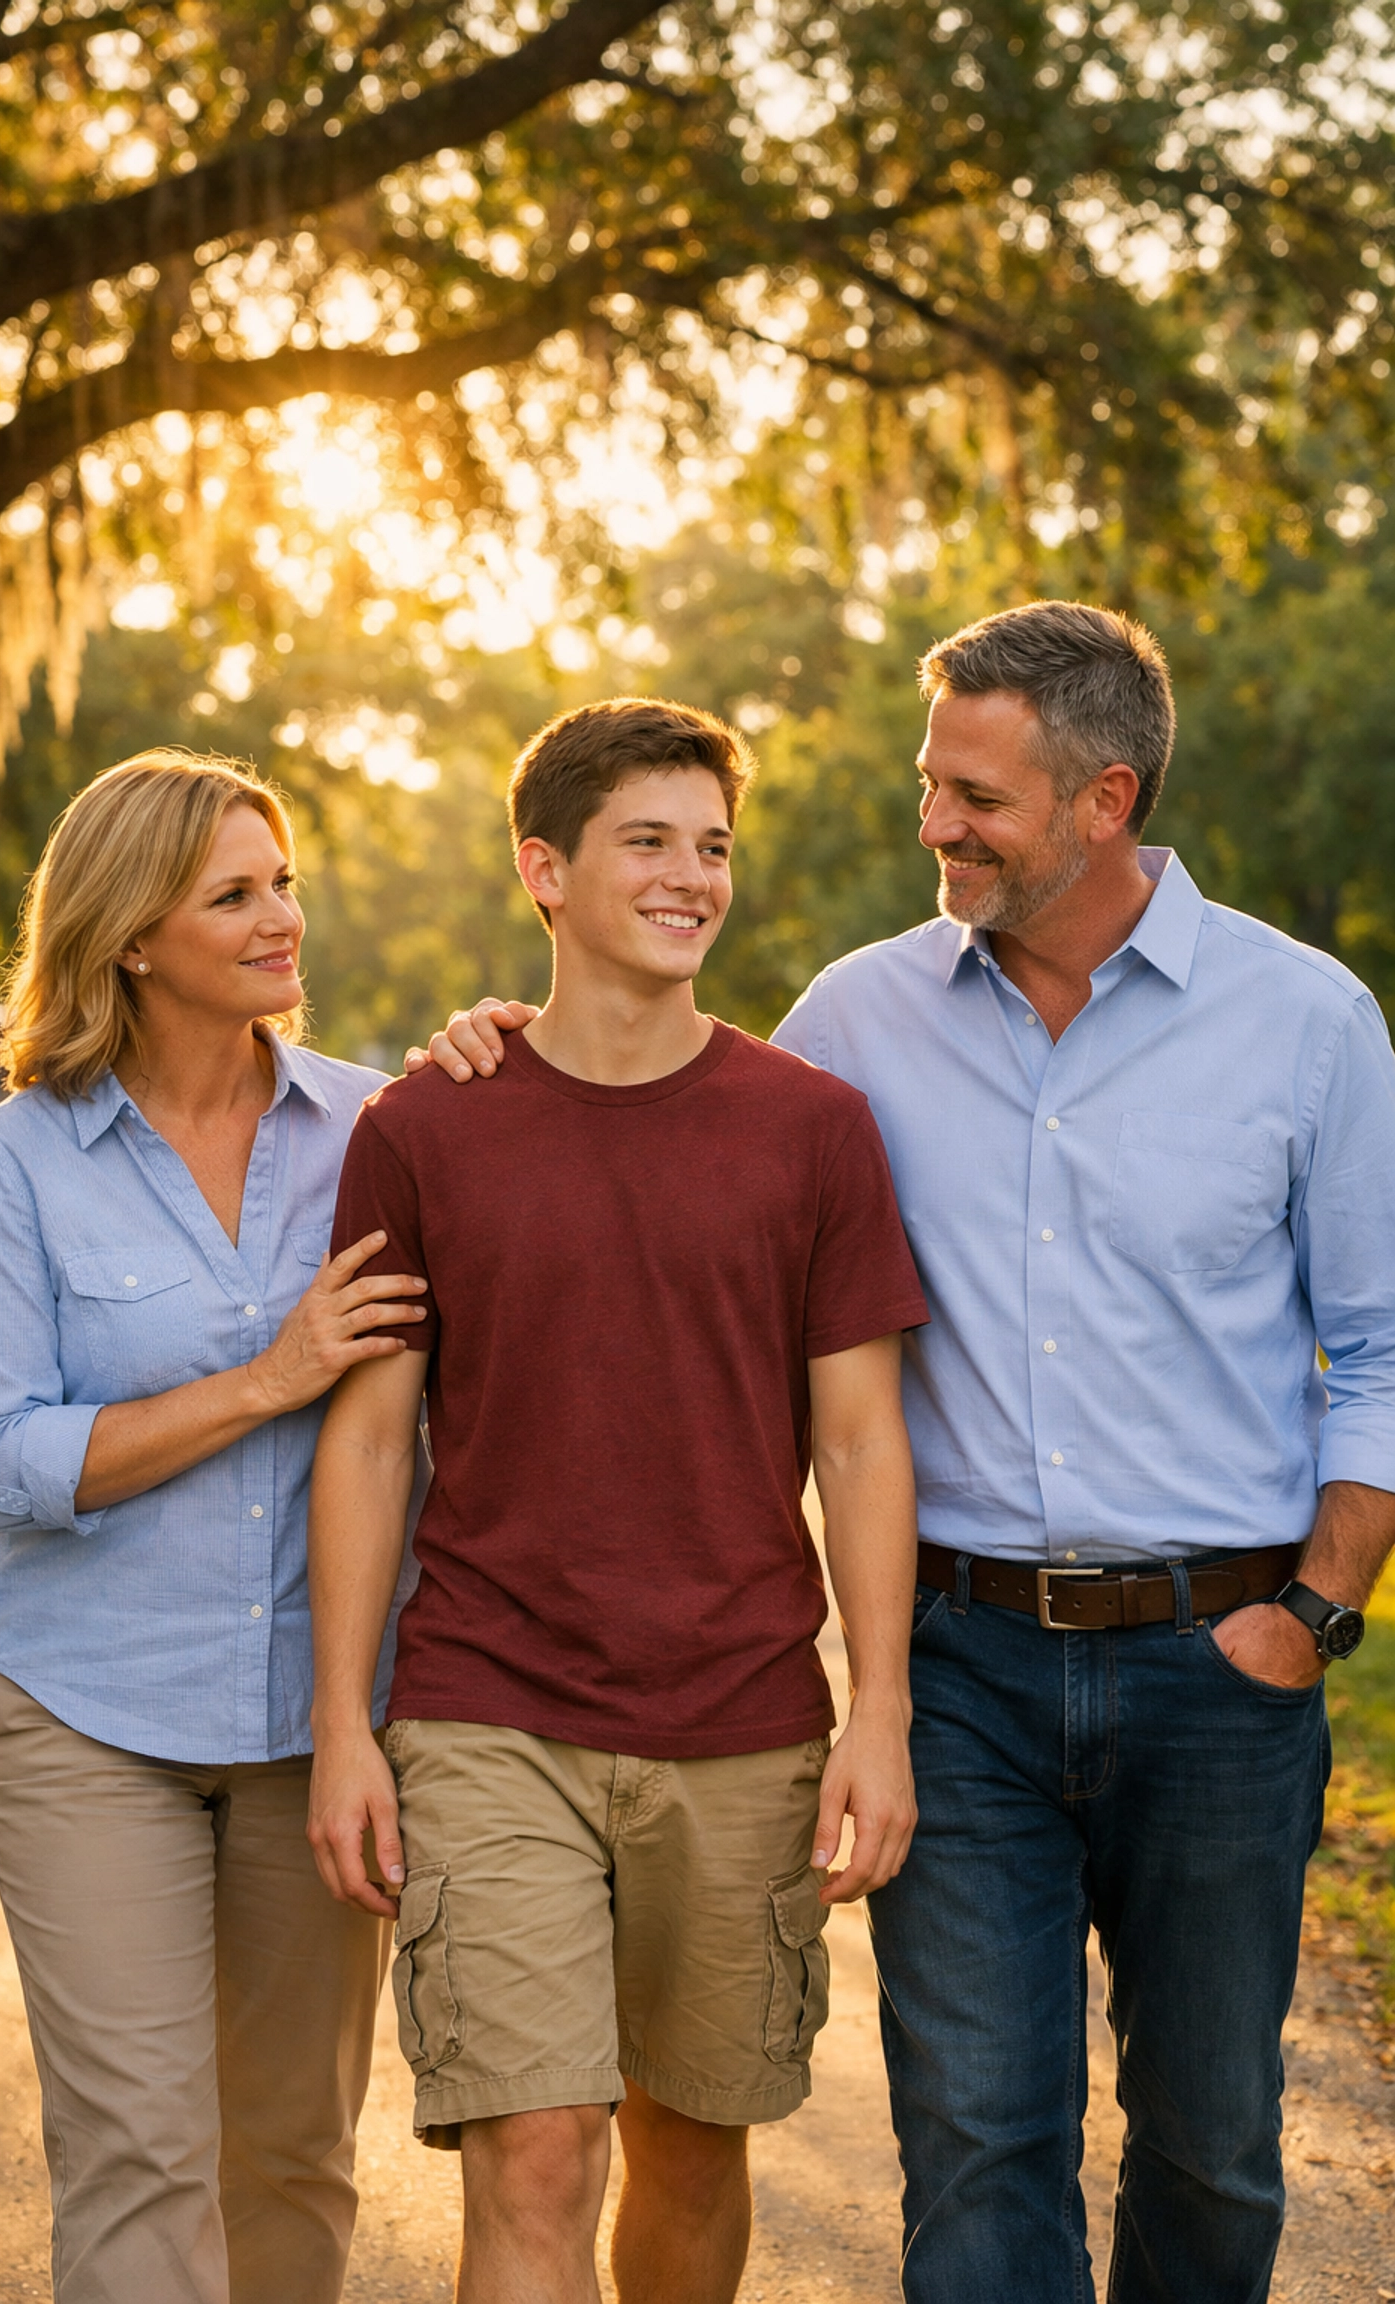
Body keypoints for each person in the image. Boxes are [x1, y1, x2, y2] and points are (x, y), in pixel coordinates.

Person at [412, 603, 1395, 2303]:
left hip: (1221, 1665)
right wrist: (483, 1056)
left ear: (1105, 800)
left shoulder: (1307, 1023)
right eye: (928, 782)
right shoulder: (856, 1019)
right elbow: (659, 1148)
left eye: (976, 796)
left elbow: (1378, 1350)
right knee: (981, 2146)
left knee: (1214, 2144)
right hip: (956, 1667)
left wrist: (1311, 1611)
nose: (932, 822)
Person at [307, 696, 928, 2304]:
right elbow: (371, 1444)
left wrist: (880, 1714)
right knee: (536, 2150)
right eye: (647, 840)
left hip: (742, 1717)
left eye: (712, 846)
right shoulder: (424, 1125)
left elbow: (859, 1445)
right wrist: (341, 1724)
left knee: (691, 2144)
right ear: (545, 870)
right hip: (487, 1710)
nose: (690, 876)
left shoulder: (814, 1131)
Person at [0, 751, 458, 2304]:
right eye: (233, 893)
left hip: (320, 1720)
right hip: (86, 1710)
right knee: (138, 2152)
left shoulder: (383, 1125)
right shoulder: (14, 1161)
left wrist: (513, 1045)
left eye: (282, 879)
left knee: (294, 2152)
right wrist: (268, 1378)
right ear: (131, 936)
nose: (281, 915)